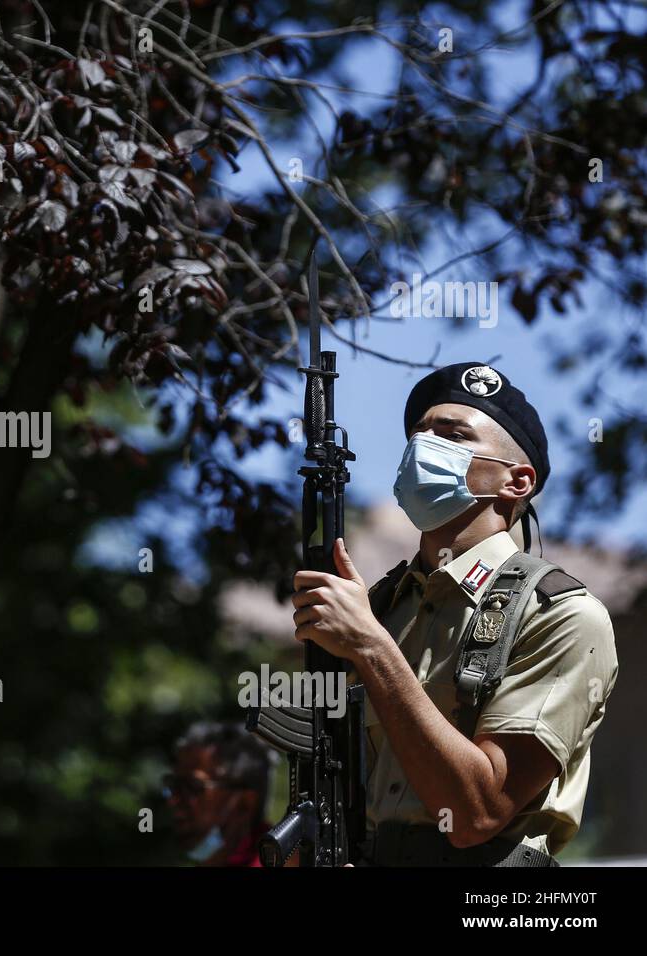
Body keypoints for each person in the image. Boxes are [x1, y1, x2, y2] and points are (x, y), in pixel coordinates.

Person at [290, 362, 617, 865]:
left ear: (517, 482)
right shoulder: (381, 606)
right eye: (418, 433)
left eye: (452, 435)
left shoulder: (563, 616)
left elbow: (477, 815)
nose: (423, 446)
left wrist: (372, 649)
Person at [165, 720, 273, 866]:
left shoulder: (284, 860)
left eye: (192, 787)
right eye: (174, 784)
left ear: (244, 802)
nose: (173, 799)